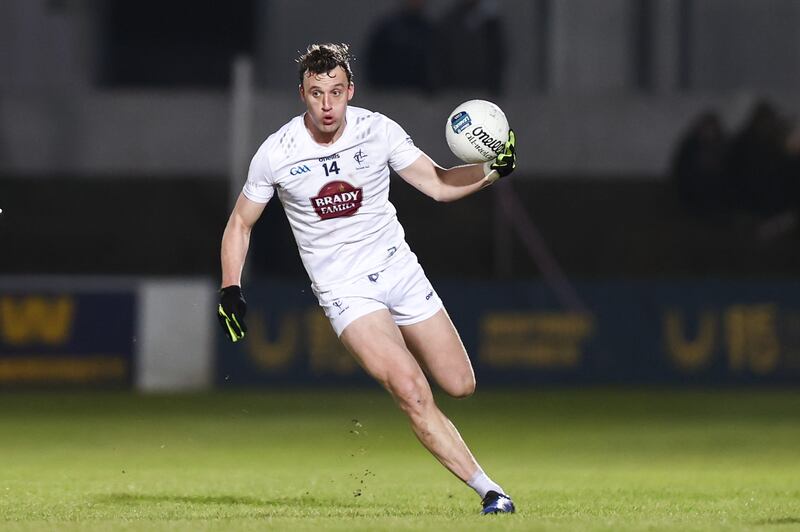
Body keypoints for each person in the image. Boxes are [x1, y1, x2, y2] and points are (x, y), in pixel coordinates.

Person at [217, 43, 517, 515]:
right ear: (302, 94)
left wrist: (491, 171)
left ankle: (486, 484)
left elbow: (438, 183)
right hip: (346, 291)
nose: (327, 104)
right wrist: (230, 287)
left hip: (399, 270)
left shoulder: (379, 131)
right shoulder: (276, 153)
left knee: (460, 384)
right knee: (411, 389)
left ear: (350, 90)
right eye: (317, 93)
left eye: (336, 91)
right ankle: (490, 491)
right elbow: (240, 223)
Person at [365, 0, 436, 92]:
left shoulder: (428, 31)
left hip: (420, 94)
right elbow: (374, 61)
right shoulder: (388, 30)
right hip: (389, 92)